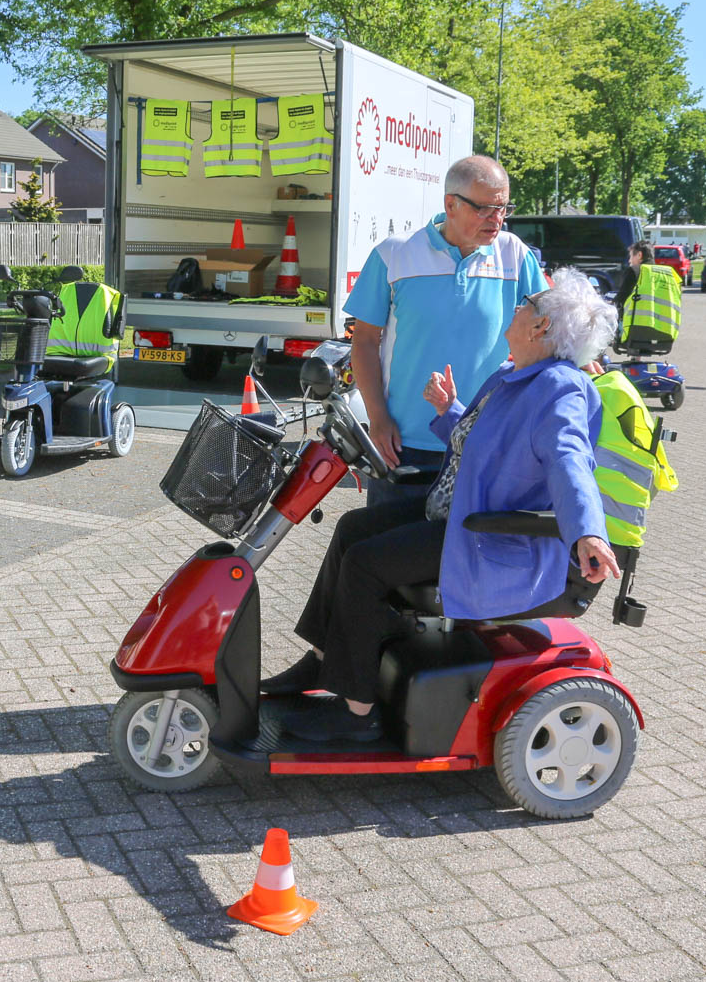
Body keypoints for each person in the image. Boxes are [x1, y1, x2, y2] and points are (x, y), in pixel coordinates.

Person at [264, 273, 623, 742]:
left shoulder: (560, 389)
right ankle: (322, 659)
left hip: (489, 536)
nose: (516, 308)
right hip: (460, 516)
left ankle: (357, 712)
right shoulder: (512, 375)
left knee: (365, 564)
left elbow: (569, 461)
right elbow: (484, 447)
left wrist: (587, 531)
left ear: (541, 327)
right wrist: (450, 409)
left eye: (526, 303)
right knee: (352, 528)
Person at [345, 155, 546, 505]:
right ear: (450, 204)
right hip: (404, 445)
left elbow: (547, 330)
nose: (496, 219)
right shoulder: (394, 254)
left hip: (486, 441)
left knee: (469, 543)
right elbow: (363, 341)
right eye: (484, 209)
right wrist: (377, 418)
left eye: (503, 208)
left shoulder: (515, 255)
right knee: (389, 540)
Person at [613, 240, 651, 317]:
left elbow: (621, 298)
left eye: (631, 256)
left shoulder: (634, 271)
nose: (629, 261)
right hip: (665, 323)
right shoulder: (668, 273)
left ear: (639, 255)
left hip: (638, 321)